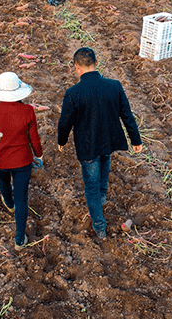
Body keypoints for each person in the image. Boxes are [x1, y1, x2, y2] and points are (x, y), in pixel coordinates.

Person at [57, 47, 142, 240]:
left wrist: (61, 140)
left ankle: (99, 225)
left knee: (91, 186)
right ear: (96, 64)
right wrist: (136, 139)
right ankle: (102, 197)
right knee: (105, 161)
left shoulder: (73, 93)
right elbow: (127, 115)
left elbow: (65, 122)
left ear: (76, 68)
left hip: (88, 146)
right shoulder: (114, 86)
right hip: (108, 140)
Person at [0, 72, 43, 250]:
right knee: (22, 198)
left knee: (3, 181)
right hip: (23, 162)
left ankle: (8, 203)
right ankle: (19, 239)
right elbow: (34, 138)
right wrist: (39, 155)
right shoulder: (27, 111)